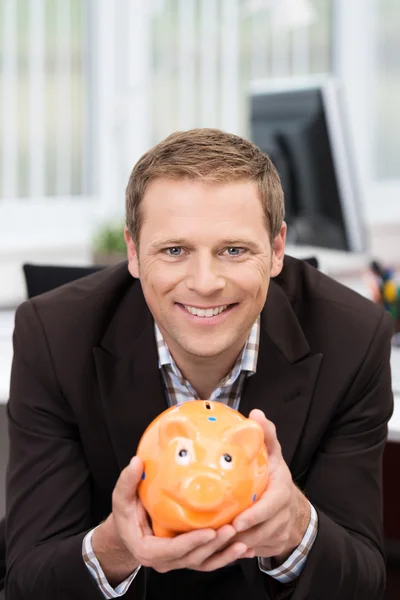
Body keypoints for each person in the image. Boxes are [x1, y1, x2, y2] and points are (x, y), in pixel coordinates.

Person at [5, 129, 393, 600]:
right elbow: (27, 582)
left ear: (275, 251)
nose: (205, 284)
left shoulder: (353, 339)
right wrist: (117, 547)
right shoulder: (54, 337)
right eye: (174, 250)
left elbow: (365, 582)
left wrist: (295, 526)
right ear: (133, 251)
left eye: (234, 250)